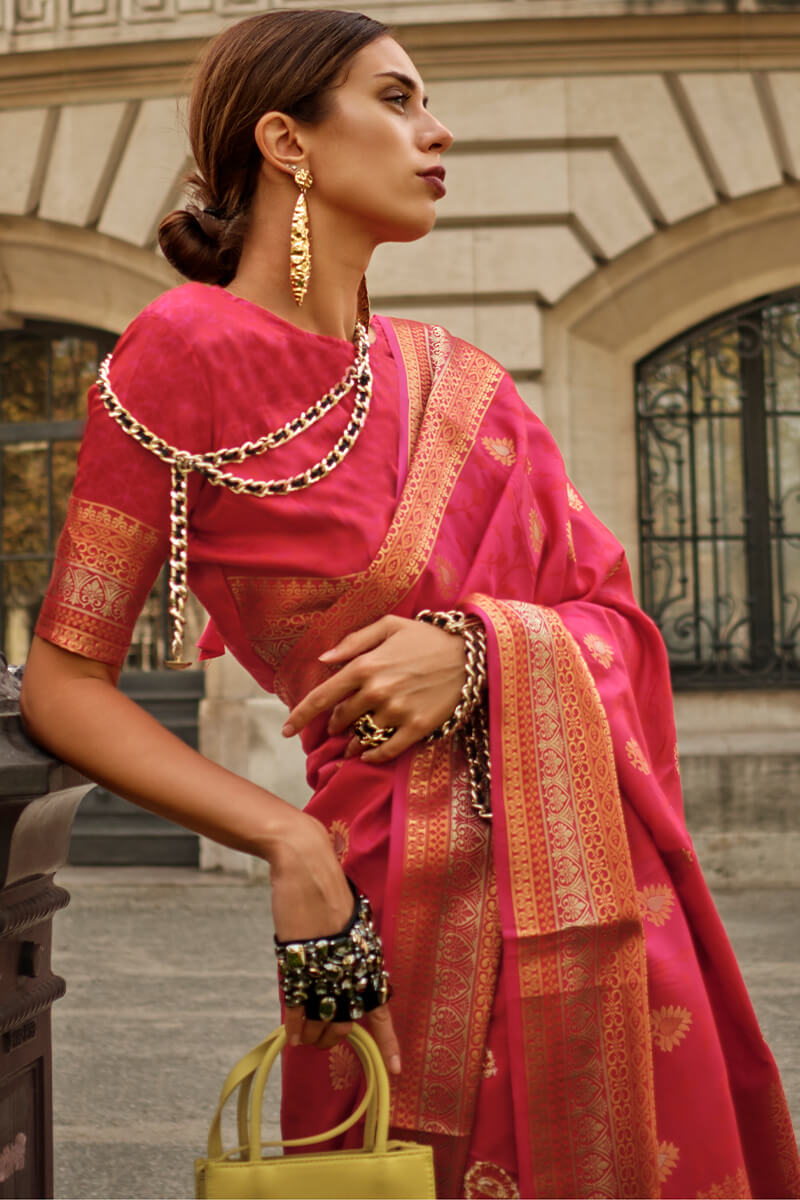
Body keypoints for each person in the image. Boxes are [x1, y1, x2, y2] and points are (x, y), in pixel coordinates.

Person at [19, 10, 799, 1199]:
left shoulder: (465, 386)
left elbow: (617, 627)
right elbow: (67, 681)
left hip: (598, 905)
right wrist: (282, 837)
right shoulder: (183, 351)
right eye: (394, 99)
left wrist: (477, 651)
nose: (436, 133)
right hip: (372, 901)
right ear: (286, 139)